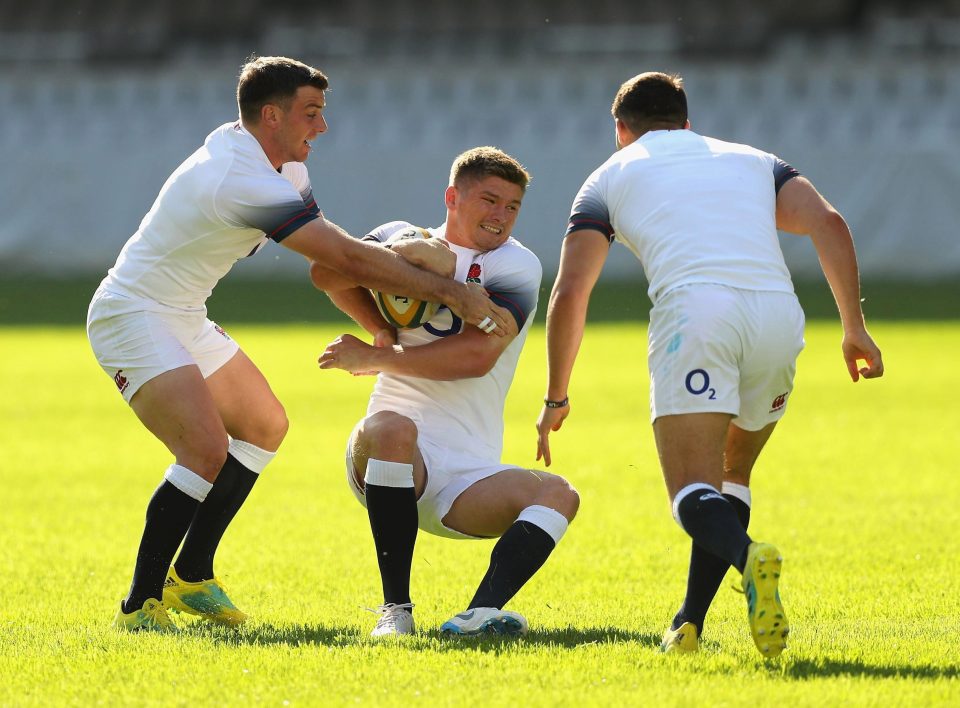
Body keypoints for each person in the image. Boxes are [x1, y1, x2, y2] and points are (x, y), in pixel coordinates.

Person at [87, 56, 512, 633]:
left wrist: (381, 322)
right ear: (270, 116)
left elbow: (335, 257)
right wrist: (453, 292)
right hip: (131, 315)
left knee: (265, 426)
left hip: (182, 313)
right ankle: (140, 606)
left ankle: (190, 576)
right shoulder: (241, 176)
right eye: (311, 113)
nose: (323, 127)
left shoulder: (280, 167)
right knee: (205, 452)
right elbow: (345, 259)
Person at [535, 72, 883, 657]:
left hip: (696, 315)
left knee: (690, 489)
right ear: (687, 122)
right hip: (778, 315)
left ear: (621, 131)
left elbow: (571, 292)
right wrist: (854, 327)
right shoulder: (754, 160)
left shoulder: (607, 176)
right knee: (732, 475)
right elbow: (829, 222)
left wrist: (556, 396)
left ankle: (751, 558)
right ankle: (688, 624)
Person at [313, 147, 579, 637]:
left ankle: (476, 616)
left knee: (559, 494)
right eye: (489, 200)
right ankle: (396, 613)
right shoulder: (401, 235)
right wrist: (394, 288)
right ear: (452, 196)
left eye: (512, 207)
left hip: (466, 478)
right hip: (388, 459)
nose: (501, 217)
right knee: (394, 426)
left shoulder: (515, 266)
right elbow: (326, 273)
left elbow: (477, 358)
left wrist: (376, 357)